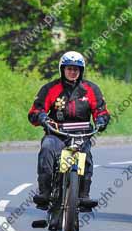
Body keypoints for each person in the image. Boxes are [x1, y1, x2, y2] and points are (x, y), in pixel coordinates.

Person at [28, 51, 110, 210]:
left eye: (76, 69)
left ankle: (83, 196)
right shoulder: (50, 88)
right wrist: (42, 117)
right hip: (56, 134)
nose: (73, 72)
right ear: (62, 69)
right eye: (69, 68)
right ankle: (44, 192)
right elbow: (35, 111)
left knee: (86, 157)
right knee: (46, 150)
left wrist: (101, 120)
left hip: (82, 135)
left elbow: (102, 111)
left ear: (81, 71)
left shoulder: (91, 89)